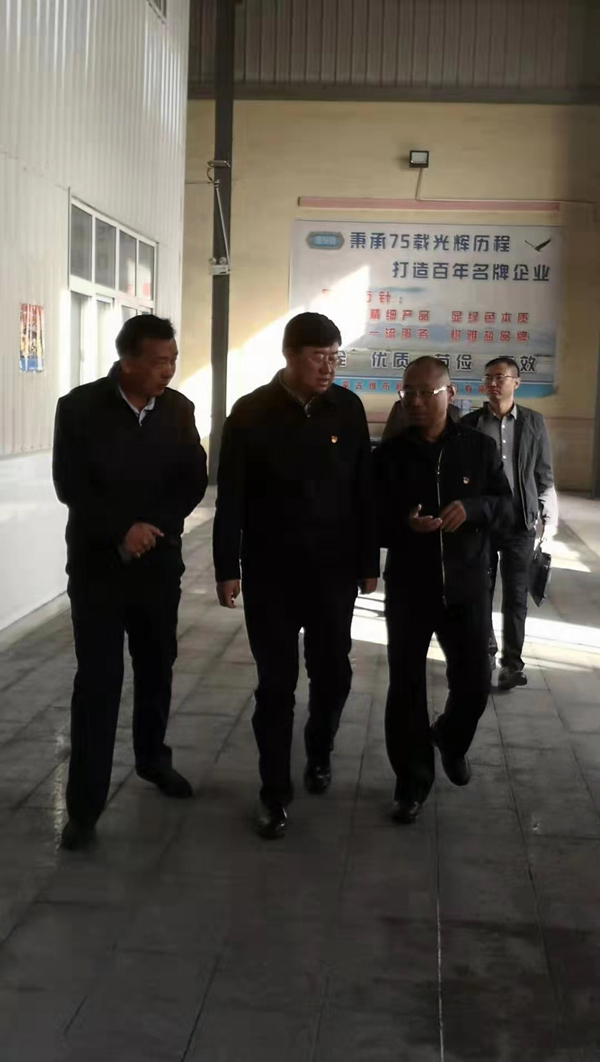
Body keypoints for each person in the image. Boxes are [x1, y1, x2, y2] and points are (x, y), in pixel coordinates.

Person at [213, 312, 379, 839]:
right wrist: (226, 567)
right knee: (276, 685)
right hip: (271, 574)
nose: (328, 367)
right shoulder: (250, 413)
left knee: (333, 674)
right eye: (318, 357)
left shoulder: (347, 409)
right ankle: (274, 792)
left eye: (335, 356)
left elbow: (364, 490)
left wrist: (368, 563)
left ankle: (320, 748)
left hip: (332, 572)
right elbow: (231, 497)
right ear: (289, 355)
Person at [53, 314, 207, 850]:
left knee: (157, 665)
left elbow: (193, 479)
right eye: (159, 361)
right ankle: (83, 808)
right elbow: (71, 485)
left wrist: (151, 528)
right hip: (98, 567)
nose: (168, 370)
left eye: (173, 360)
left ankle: (152, 759)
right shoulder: (79, 408)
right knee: (98, 681)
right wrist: (122, 530)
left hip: (157, 566)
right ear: (127, 361)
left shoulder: (178, 410)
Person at [374, 357, 512, 824]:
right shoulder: (390, 455)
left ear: (450, 395)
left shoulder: (478, 448)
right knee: (406, 687)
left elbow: (506, 509)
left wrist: (473, 509)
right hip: (410, 589)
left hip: (466, 588)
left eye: (425, 392)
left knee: (474, 682)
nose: (414, 401)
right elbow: (371, 518)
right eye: (407, 393)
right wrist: (403, 524)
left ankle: (450, 739)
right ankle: (411, 782)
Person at [463, 357, 558, 690]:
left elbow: (543, 473)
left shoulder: (533, 422)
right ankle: (485, 653)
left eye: (500, 377)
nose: (493, 383)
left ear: (516, 382)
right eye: (488, 377)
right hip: (483, 522)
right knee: (481, 591)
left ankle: (512, 665)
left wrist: (549, 518)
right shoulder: (471, 423)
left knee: (516, 595)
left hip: (520, 522)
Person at [382, 393, 461, 441]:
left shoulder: (452, 411)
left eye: (426, 391)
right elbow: (388, 438)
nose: (417, 402)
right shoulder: (400, 407)